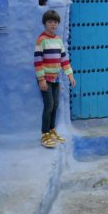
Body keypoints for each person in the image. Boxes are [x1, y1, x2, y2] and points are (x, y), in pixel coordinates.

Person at [34, 10, 76, 148]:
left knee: (56, 104)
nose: (53, 24)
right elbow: (38, 62)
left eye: (55, 22)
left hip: (56, 78)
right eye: (50, 22)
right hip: (45, 78)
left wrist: (70, 74)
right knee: (49, 105)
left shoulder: (58, 40)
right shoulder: (41, 40)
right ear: (45, 23)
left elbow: (64, 59)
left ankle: (52, 130)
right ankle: (44, 134)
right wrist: (41, 80)